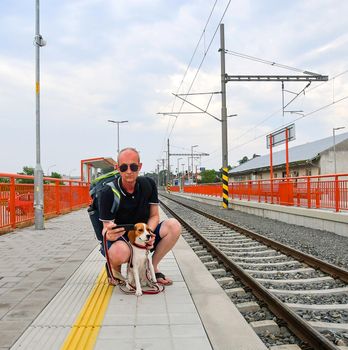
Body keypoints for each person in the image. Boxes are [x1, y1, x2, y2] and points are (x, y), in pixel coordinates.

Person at [98, 147, 181, 285]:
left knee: (174, 226)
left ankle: (151, 268)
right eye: (124, 167)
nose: (129, 171)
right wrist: (109, 233)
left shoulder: (148, 184)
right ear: (118, 168)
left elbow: (154, 215)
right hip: (121, 238)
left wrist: (149, 234)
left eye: (133, 166)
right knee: (119, 253)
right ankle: (114, 266)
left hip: (143, 233)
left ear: (140, 167)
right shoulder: (108, 192)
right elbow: (105, 228)